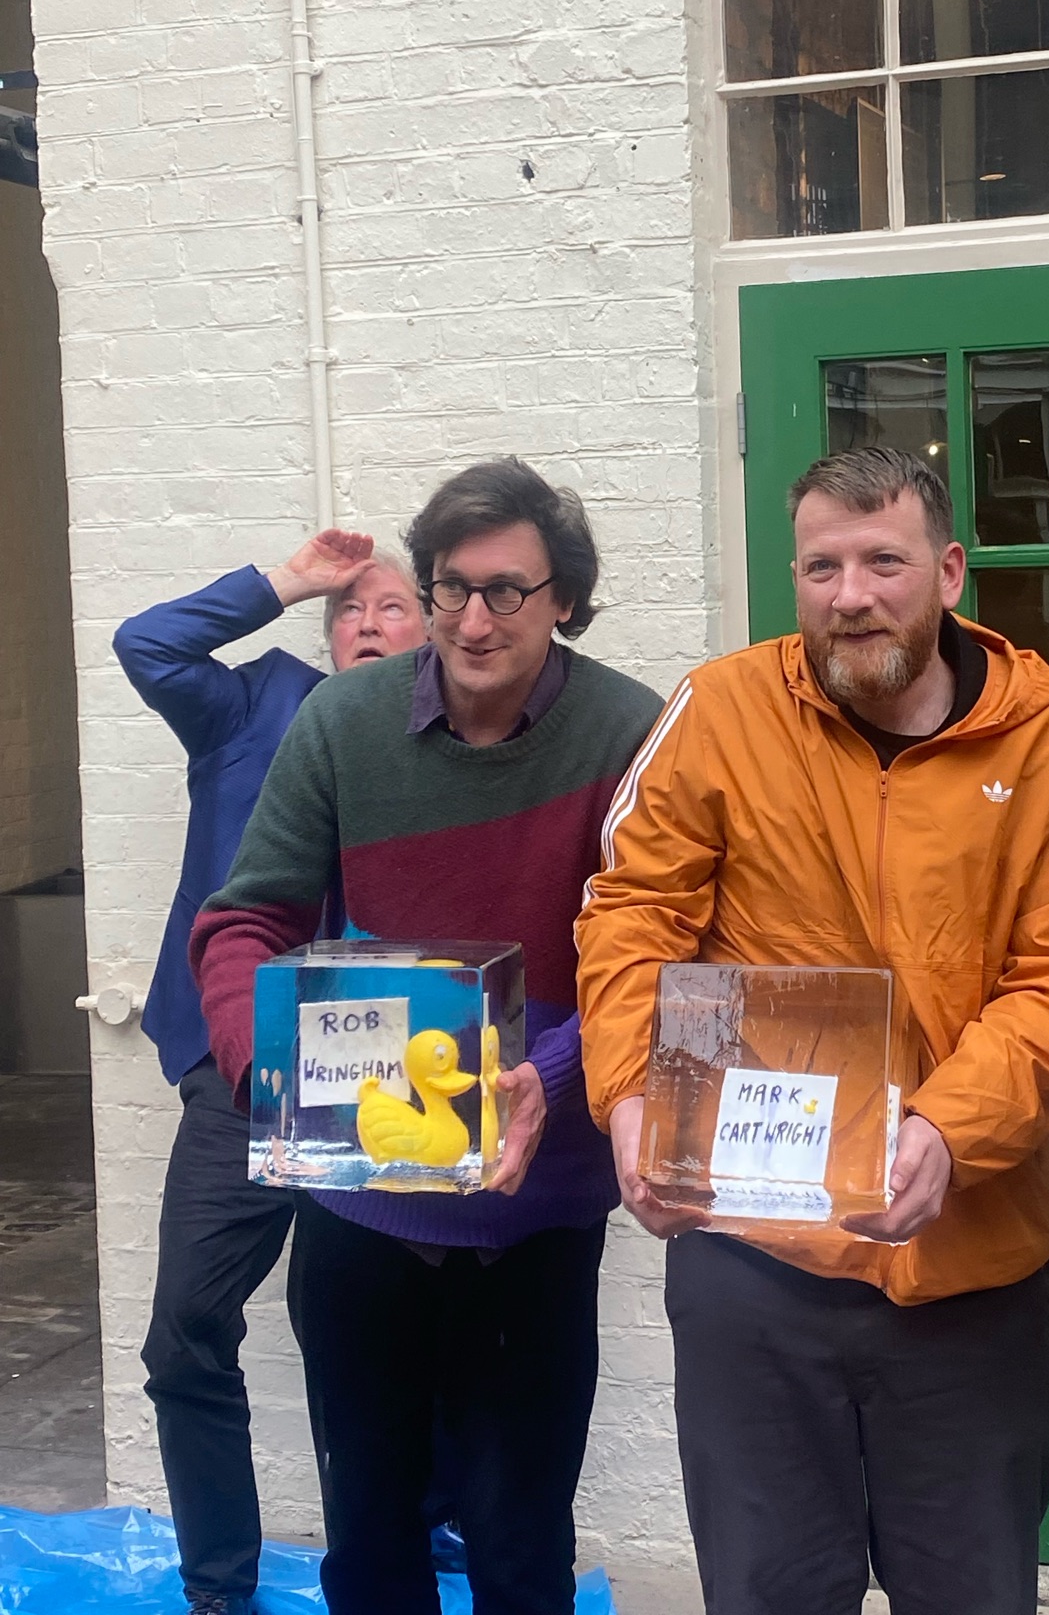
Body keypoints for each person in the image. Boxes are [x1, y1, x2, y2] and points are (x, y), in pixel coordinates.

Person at [575, 444, 1049, 1615]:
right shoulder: (718, 711)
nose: (850, 594)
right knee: (769, 1592)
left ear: (950, 571)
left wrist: (949, 1130)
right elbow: (631, 914)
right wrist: (627, 1095)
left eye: (884, 561)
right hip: (754, 1261)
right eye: (821, 566)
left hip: (973, 1266)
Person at [189, 457, 663, 1615]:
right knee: (369, 1544)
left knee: (518, 1545)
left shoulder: (632, 731)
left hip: (536, 1216)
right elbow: (246, 920)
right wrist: (270, 1065)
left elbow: (664, 954)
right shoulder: (345, 720)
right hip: (360, 1211)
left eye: (508, 589)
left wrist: (552, 1073)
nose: (474, 618)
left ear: (564, 597)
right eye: (452, 586)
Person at [114, 535, 427, 1615]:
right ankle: (219, 1587)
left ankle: (389, 1556)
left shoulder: (452, 735)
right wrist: (290, 581)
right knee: (187, 1328)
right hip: (238, 1072)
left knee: (361, 1340)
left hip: (381, 1075)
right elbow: (147, 644)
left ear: (432, 629)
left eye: (392, 607)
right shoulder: (252, 707)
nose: (367, 623)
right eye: (349, 611)